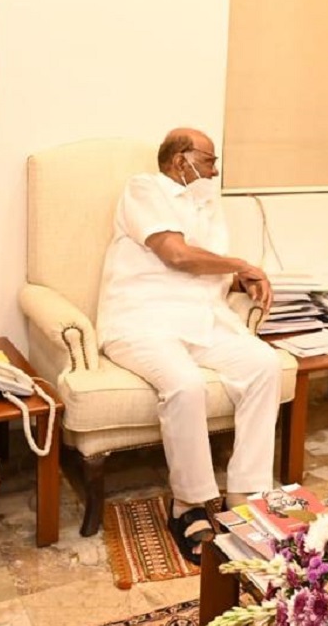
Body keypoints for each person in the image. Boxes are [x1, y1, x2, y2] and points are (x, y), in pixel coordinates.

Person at [96, 128, 280, 564]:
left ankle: (246, 493)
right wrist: (242, 264)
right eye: (209, 160)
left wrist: (240, 279)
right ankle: (189, 505)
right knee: (185, 384)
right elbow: (176, 256)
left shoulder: (207, 205)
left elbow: (204, 268)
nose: (214, 171)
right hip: (142, 320)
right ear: (181, 159)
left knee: (264, 365)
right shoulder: (143, 189)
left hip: (201, 319)